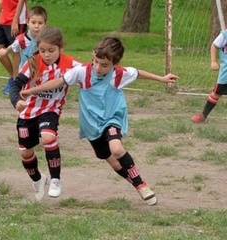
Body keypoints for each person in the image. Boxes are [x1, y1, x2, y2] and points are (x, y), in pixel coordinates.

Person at [20, 36, 180, 206]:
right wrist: (32, 90)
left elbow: (138, 72)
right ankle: (135, 184)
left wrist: (161, 79)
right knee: (112, 161)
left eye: (104, 65)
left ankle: (142, 184)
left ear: (114, 64)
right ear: (93, 55)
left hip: (112, 118)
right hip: (91, 126)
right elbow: (58, 82)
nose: (98, 67)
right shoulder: (82, 72)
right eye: (96, 61)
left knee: (117, 149)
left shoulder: (119, 74)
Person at [9, 26, 82, 201]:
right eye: (42, 50)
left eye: (51, 50)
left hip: (50, 110)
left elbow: (91, 73)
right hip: (27, 113)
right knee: (26, 153)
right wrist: (16, 102)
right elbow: (15, 85)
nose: (47, 55)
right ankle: (39, 179)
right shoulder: (33, 62)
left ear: (60, 48)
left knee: (48, 138)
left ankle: (56, 179)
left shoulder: (71, 64)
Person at [0, 0, 28, 94]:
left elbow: (21, 2)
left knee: (15, 50)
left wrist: (15, 20)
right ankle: (13, 78)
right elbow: (2, 1)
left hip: (17, 20)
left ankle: (16, 82)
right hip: (3, 20)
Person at [0, 6, 47, 73]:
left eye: (40, 23)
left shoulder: (47, 40)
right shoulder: (23, 39)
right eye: (33, 22)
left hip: (41, 73)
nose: (36, 26)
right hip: (25, 73)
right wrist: (5, 52)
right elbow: (13, 46)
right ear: (27, 22)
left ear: (45, 24)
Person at [191, 29, 227, 123]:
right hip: (226, 73)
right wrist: (213, 61)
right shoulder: (225, 34)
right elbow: (214, 45)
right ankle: (203, 115)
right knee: (217, 92)